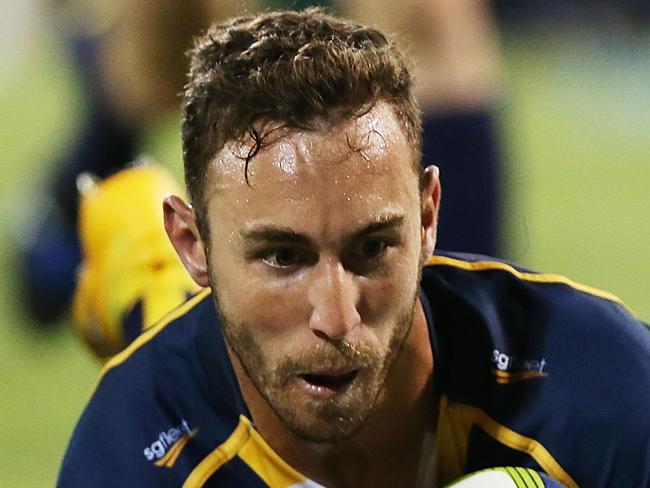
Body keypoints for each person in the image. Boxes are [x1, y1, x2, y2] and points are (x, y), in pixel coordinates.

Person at [58, 8, 650, 487]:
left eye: (372, 248)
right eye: (282, 257)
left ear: (426, 218)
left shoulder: (605, 388)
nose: (337, 318)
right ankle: (126, 247)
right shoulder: (130, 453)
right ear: (193, 243)